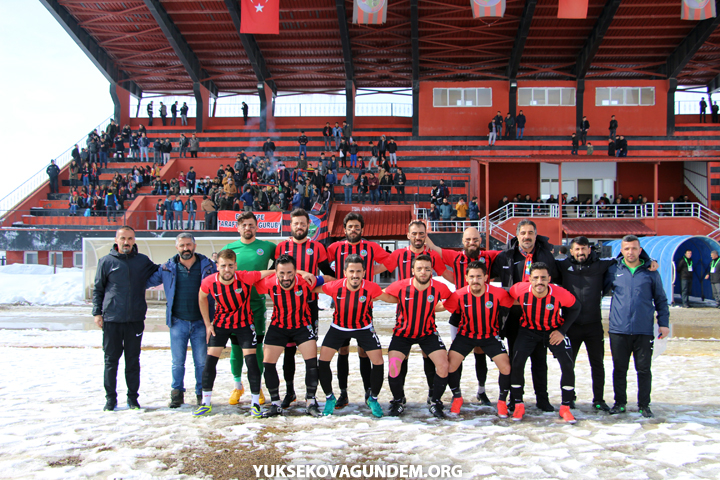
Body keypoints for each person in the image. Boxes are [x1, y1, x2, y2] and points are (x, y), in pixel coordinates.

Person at [193, 249, 275, 417]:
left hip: (244, 324)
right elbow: (201, 297)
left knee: (251, 361)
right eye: (223, 266)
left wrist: (298, 272)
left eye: (231, 266)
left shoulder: (245, 277)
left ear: (235, 265)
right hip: (221, 325)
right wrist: (208, 324)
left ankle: (254, 404)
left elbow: (271, 271)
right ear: (217, 266)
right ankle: (206, 403)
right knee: (210, 362)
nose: (227, 270)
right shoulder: (209, 281)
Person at [426, 228, 500, 405]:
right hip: (460, 313)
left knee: (480, 353)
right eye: (468, 239)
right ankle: (456, 393)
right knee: (456, 356)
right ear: (463, 241)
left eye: (475, 239)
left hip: (483, 313)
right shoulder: (456, 257)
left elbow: (513, 253)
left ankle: (481, 391)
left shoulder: (489, 256)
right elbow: (433, 247)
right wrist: (421, 229)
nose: (471, 242)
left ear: (480, 240)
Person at [491, 219, 558, 412]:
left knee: (539, 360)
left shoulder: (546, 255)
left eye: (530, 233)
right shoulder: (505, 256)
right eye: (523, 233)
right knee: (516, 360)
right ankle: (514, 397)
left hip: (538, 316)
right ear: (517, 236)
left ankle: (542, 399)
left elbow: (555, 280)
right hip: (514, 315)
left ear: (535, 235)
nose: (527, 237)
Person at [315, 255, 392, 417]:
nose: (355, 275)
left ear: (364, 272)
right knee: (322, 361)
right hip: (339, 327)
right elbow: (313, 288)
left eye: (358, 271)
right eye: (351, 271)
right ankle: (329, 398)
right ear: (345, 272)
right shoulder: (335, 286)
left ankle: (373, 398)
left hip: (364, 327)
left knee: (378, 361)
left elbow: (390, 298)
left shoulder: (371, 287)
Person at [326, 213, 390, 408]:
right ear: (344, 229)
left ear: (362, 229)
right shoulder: (335, 248)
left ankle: (368, 392)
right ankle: (343, 393)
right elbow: (321, 263)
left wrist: (370, 272)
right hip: (341, 304)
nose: (353, 230)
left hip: (364, 304)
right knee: (342, 350)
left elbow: (389, 262)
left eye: (357, 227)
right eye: (350, 226)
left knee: (364, 352)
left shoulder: (371, 247)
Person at [146, 233, 217, 408]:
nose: (186, 248)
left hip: (201, 322)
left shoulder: (208, 266)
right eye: (182, 245)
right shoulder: (168, 268)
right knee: (177, 362)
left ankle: (202, 393)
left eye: (188, 245)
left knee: (201, 361)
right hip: (178, 322)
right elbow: (147, 281)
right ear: (177, 248)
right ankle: (177, 393)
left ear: (194, 245)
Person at [92, 226, 159, 411]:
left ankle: (132, 398)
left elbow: (161, 272)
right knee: (111, 360)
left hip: (135, 320)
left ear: (134, 240)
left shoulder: (142, 261)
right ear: (116, 240)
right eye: (123, 238)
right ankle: (110, 399)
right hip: (112, 319)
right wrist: (97, 313)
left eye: (130, 238)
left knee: (132, 361)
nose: (126, 242)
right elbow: (98, 289)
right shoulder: (106, 261)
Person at [274, 209, 335, 408]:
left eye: (302, 223)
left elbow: (330, 275)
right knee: (289, 351)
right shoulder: (281, 247)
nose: (299, 227)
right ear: (290, 226)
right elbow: (271, 275)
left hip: (309, 307)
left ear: (309, 225)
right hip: (285, 308)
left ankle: (312, 396)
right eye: (295, 223)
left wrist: (314, 279)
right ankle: (290, 392)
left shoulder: (317, 247)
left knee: (310, 352)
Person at [508, 263, 580, 423]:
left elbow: (576, 307)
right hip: (528, 330)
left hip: (552, 331)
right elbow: (506, 297)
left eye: (543, 278)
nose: (539, 281)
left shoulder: (559, 293)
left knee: (568, 365)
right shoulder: (519, 289)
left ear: (549, 279)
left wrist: (562, 331)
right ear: (529, 279)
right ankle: (518, 404)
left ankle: (566, 407)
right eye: (535, 278)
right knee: (517, 362)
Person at [606, 235, 669, 418]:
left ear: (640, 250)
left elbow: (661, 299)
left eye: (634, 248)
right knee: (619, 369)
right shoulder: (613, 270)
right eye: (627, 249)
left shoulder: (650, 272)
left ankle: (644, 405)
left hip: (643, 329)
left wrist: (663, 324)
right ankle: (620, 403)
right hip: (618, 329)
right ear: (622, 250)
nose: (630, 252)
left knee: (643, 369)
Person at [383, 255, 454, 418]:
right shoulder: (400, 286)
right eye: (420, 268)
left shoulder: (440, 287)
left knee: (443, 365)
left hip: (427, 333)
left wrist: (436, 308)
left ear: (431, 271)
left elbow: (451, 300)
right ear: (413, 270)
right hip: (403, 333)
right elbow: (383, 294)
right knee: (394, 365)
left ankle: (435, 401)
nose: (423, 272)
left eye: (427, 269)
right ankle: (398, 400)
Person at [254, 255, 324, 417]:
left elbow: (327, 279)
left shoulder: (304, 281)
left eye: (290, 273)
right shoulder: (268, 283)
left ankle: (311, 401)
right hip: (279, 326)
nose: (286, 278)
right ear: (275, 273)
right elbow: (254, 279)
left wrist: (307, 274)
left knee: (312, 363)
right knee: (268, 363)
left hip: (302, 325)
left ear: (295, 272)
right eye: (282, 274)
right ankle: (275, 404)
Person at [443, 261, 514, 416]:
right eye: (472, 276)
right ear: (467, 278)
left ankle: (502, 402)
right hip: (466, 336)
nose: (475, 280)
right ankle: (457, 397)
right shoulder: (459, 294)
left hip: (489, 336)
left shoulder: (498, 293)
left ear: (486, 277)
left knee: (507, 367)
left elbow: (516, 302)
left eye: (479, 276)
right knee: (449, 365)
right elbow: (442, 307)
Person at [221, 212, 277, 406]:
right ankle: (238, 386)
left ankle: (257, 386)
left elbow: (283, 262)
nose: (248, 228)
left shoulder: (267, 247)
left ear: (257, 227)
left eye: (251, 225)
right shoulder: (229, 248)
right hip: (234, 309)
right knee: (236, 349)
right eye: (244, 225)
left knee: (257, 349)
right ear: (238, 227)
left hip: (256, 306)